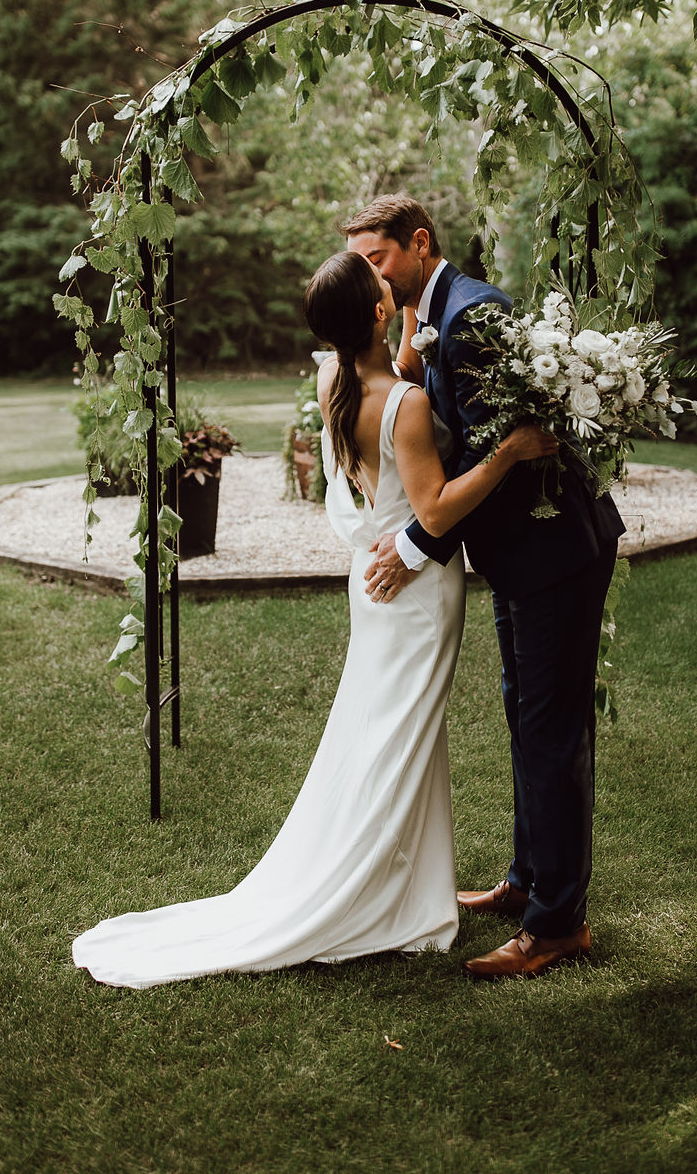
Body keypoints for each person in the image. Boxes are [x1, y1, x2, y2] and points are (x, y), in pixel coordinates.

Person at [71, 250, 554, 988]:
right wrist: (507, 454)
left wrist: (404, 330)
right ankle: (375, 893)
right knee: (402, 738)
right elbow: (432, 510)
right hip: (418, 592)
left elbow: (383, 400)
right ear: (376, 313)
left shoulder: (333, 380)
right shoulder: (407, 405)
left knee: (387, 732)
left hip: (373, 582)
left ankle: (410, 891)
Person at [342, 194, 626, 979]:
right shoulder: (437, 313)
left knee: (551, 728)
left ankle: (556, 924)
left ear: (419, 243)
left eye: (379, 257)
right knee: (525, 714)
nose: (374, 272)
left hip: (554, 549)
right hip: (519, 556)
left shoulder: (470, 318)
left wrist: (417, 542)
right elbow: (453, 422)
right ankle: (527, 880)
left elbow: (485, 456)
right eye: (364, 261)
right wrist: (404, 327)